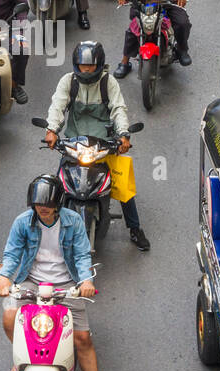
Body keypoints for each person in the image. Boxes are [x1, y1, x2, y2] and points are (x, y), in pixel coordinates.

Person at [0, 174, 120, 371]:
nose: (43, 210)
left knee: (83, 339)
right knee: (9, 317)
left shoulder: (73, 222)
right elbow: (12, 253)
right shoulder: (22, 222)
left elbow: (83, 255)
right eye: (39, 205)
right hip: (31, 282)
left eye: (48, 206)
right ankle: (22, 356)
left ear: (58, 204)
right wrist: (5, 278)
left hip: (66, 284)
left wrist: (86, 281)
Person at [44, 41, 150, 250]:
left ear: (98, 65)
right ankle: (46, 229)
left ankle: (135, 229)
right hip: (74, 144)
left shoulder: (108, 82)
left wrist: (123, 135)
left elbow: (118, 109)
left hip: (104, 144)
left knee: (123, 188)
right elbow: (58, 105)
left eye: (90, 67)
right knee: (56, 187)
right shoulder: (68, 81)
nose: (86, 70)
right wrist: (51, 130)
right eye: (82, 66)